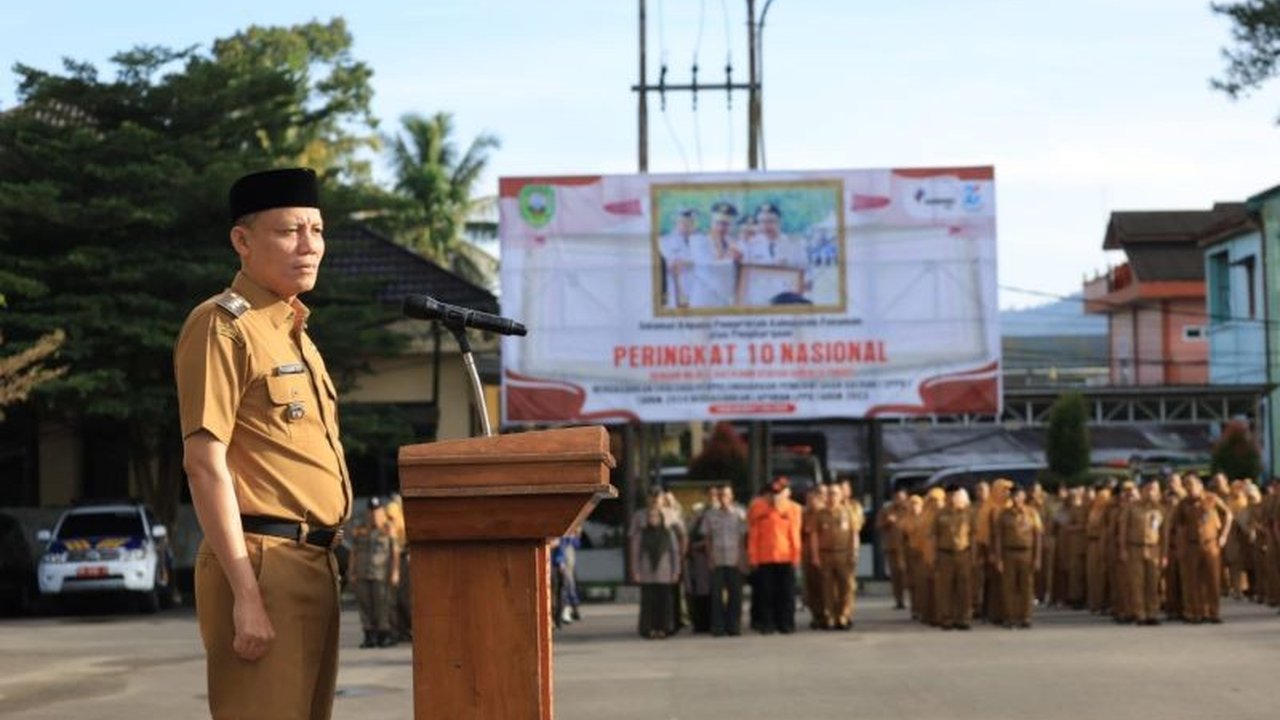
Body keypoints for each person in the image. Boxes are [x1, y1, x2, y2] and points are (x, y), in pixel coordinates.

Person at [174, 167, 351, 720]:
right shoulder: (222, 326)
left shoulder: (297, 335)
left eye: (317, 230)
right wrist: (247, 595)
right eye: (290, 231)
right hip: (262, 562)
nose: (309, 246)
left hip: (315, 563)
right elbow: (204, 464)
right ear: (243, 241)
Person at [747, 477, 803, 634]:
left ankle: (786, 624)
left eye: (779, 493)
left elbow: (795, 535)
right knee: (766, 594)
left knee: (787, 594)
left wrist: (796, 556)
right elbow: (753, 535)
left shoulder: (793, 509)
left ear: (787, 493)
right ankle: (767, 624)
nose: (775, 496)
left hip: (786, 558)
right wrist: (753, 557)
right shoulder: (757, 508)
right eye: (773, 493)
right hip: (764, 558)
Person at [1173, 475, 1232, 624]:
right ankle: (1195, 612)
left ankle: (1213, 612)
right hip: (1192, 545)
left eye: (1191, 485)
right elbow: (1178, 525)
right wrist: (1181, 546)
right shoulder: (1183, 503)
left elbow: (1228, 515)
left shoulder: (1211, 498)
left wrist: (1223, 535)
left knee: (1212, 580)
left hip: (1211, 544)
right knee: (1192, 581)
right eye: (1186, 485)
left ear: (1200, 486)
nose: (1189, 488)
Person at [349, 497, 400, 648]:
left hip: (381, 574)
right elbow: (354, 552)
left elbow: (395, 552)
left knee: (382, 605)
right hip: (362, 573)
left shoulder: (388, 529)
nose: (374, 515)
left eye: (377, 512)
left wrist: (395, 572)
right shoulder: (360, 529)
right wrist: (351, 571)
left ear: (382, 513)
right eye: (371, 512)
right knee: (365, 605)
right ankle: (369, 635)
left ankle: (384, 635)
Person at [993, 485, 1042, 629]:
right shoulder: (1004, 514)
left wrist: (1037, 557)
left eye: (1018, 495)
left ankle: (1025, 616)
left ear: (1024, 496)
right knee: (1009, 587)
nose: (1015, 498)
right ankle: (1010, 617)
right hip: (1009, 553)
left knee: (1026, 586)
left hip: (1027, 552)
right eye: (1013, 496)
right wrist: (999, 558)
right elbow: (998, 537)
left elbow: (1038, 536)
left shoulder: (1032, 513)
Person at [630, 505, 682, 639]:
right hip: (647, 573)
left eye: (656, 516)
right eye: (650, 516)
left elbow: (675, 553)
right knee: (648, 604)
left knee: (665, 604)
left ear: (661, 518)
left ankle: (664, 629)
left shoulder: (668, 533)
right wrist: (636, 571)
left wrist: (676, 571)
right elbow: (636, 553)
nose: (653, 519)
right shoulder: (642, 533)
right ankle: (649, 629)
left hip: (665, 573)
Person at [704, 484, 748, 636]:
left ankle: (734, 626)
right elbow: (708, 538)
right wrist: (710, 558)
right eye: (721, 495)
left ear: (732, 497)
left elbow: (743, 540)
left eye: (726, 495)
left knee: (735, 595)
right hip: (717, 559)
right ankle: (718, 627)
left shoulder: (740, 514)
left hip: (734, 559)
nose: (723, 498)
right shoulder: (710, 515)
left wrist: (742, 559)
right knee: (716, 596)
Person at [811, 485, 857, 630]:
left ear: (841, 496)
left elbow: (854, 534)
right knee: (827, 588)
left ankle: (843, 616)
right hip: (825, 554)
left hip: (843, 554)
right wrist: (815, 555)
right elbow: (814, 536)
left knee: (846, 587)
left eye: (835, 494)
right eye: (830, 494)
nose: (832, 497)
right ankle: (829, 617)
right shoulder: (820, 514)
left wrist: (854, 552)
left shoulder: (848, 512)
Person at [1121, 478, 1167, 626]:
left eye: (1155, 490)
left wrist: (1164, 554)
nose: (1152, 493)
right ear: (1142, 491)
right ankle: (1140, 613)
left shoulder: (1160, 509)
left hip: (1154, 548)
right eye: (1149, 489)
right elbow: (1123, 530)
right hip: (1135, 547)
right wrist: (1123, 549)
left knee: (1153, 583)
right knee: (1137, 583)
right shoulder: (1132, 507)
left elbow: (1164, 534)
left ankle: (1152, 612)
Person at [933, 486, 975, 630]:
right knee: (946, 588)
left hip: (963, 553)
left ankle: (963, 618)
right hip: (945, 554)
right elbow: (934, 536)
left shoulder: (967, 513)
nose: (952, 498)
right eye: (950, 495)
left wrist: (973, 556)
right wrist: (934, 556)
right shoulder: (940, 514)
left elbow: (973, 535)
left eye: (955, 495)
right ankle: (947, 618)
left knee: (964, 588)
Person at [658, 208, 705, 309]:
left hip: (697, 290)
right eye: (684, 223)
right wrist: (692, 264)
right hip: (677, 290)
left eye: (691, 223)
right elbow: (672, 266)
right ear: (676, 222)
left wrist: (689, 263)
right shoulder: (665, 241)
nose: (687, 226)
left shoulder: (701, 240)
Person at [383, 491, 412, 641]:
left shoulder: (403, 513)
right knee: (396, 597)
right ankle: (400, 630)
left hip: (405, 555)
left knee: (404, 597)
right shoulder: (393, 510)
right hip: (396, 555)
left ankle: (407, 629)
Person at [877, 490, 910, 610]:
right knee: (896, 576)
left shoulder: (910, 509)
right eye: (897, 498)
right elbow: (878, 525)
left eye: (902, 498)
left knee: (909, 575)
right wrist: (887, 521)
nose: (899, 500)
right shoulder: (887, 510)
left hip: (908, 548)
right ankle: (899, 600)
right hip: (892, 548)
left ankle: (915, 602)